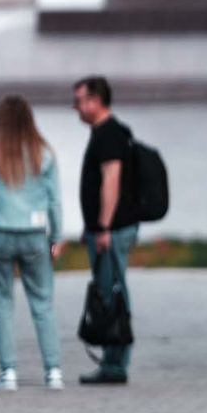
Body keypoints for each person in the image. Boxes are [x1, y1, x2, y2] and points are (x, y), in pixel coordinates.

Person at [0, 96, 65, 391]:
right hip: (34, 233)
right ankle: (53, 370)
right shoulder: (43, 153)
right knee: (42, 303)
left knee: (0, 303)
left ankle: (8, 371)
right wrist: (57, 237)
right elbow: (55, 200)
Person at [71, 75, 139, 384]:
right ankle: (114, 360)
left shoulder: (110, 134)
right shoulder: (107, 132)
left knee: (112, 293)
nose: (77, 108)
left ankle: (115, 363)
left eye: (79, 101)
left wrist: (104, 227)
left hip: (111, 230)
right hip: (108, 229)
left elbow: (111, 181)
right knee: (111, 290)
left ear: (95, 101)